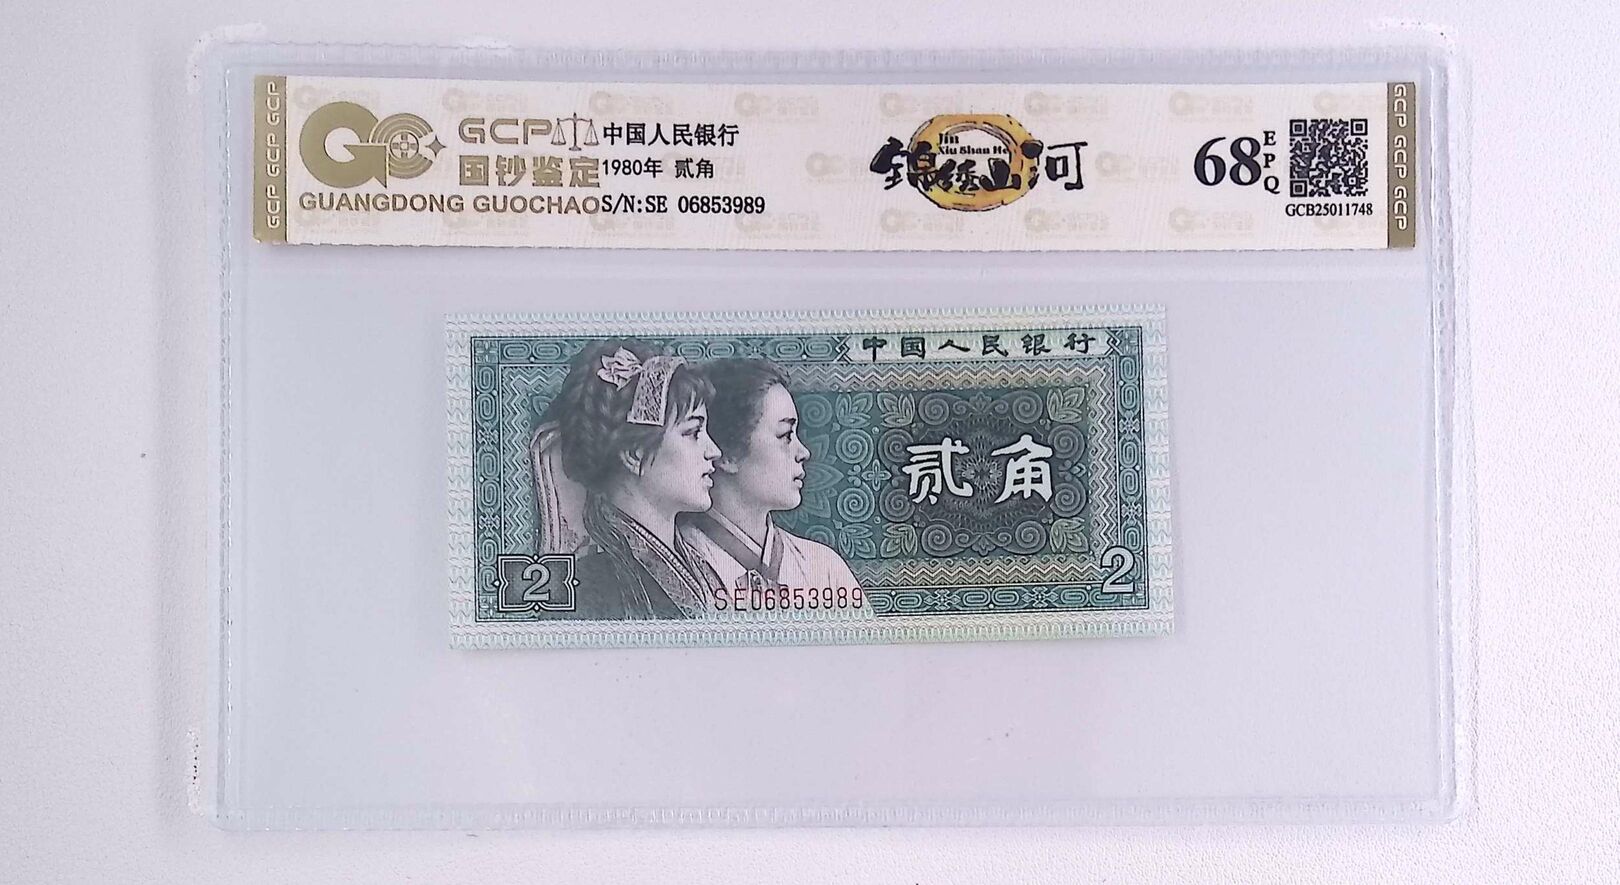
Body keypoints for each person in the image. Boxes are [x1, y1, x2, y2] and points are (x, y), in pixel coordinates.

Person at [536, 339, 723, 619]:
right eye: (693, 432)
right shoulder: (586, 587)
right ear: (635, 454)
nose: (714, 451)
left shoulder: (701, 567)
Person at [679, 358, 862, 604]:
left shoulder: (824, 568)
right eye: (785, 435)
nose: (803, 452)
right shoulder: (679, 567)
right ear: (727, 454)